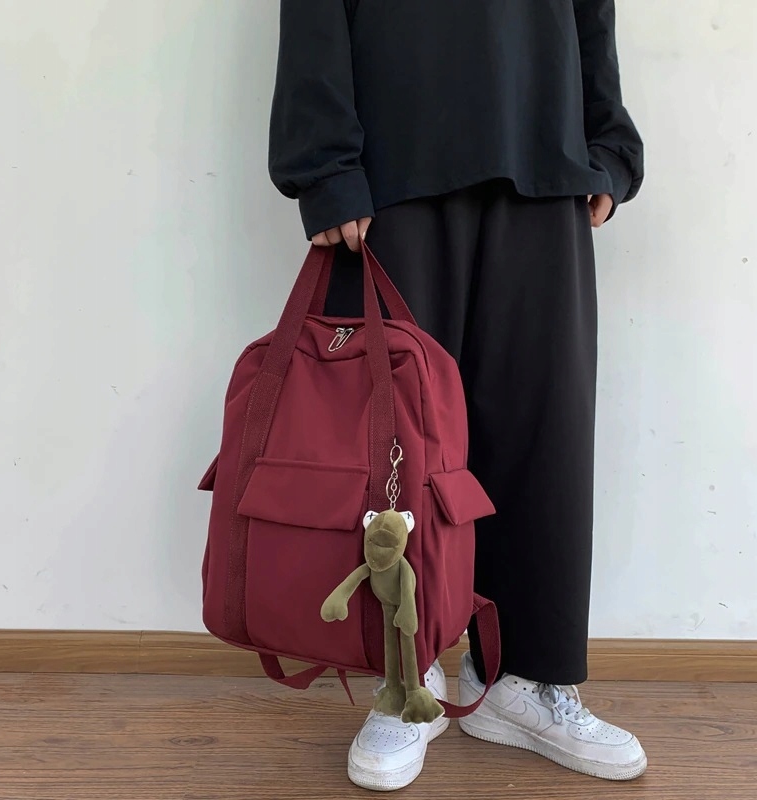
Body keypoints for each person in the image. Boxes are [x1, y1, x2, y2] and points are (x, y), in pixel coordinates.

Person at [268, 0, 646, 792]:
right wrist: (324, 163)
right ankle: (406, 679)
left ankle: (524, 680)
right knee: (393, 448)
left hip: (545, 150)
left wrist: (606, 142)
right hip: (396, 157)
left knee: (546, 433)